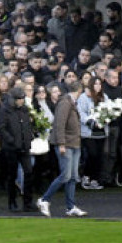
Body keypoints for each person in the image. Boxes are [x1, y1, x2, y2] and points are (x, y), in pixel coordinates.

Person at [37, 81, 88, 218]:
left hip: (74, 143)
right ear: (79, 91)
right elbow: (59, 124)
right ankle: (44, 199)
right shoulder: (65, 103)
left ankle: (70, 206)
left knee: (72, 177)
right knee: (66, 175)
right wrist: (61, 144)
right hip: (67, 143)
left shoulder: (68, 102)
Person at [0, 87, 35, 212]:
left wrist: (29, 136)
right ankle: (12, 201)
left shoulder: (24, 110)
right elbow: (1, 128)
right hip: (11, 148)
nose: (22, 101)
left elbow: (27, 125)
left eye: (23, 99)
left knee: (29, 173)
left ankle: (27, 202)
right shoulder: (4, 111)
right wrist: (11, 140)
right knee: (12, 175)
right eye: (19, 99)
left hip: (24, 146)